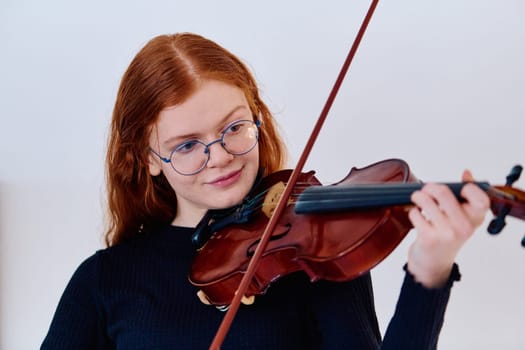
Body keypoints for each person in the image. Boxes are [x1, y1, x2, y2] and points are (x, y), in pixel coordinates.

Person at [41, 32, 490, 349]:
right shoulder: (105, 281)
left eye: (234, 127)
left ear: (257, 118)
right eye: (187, 146)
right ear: (149, 159)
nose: (219, 156)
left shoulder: (315, 256)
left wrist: (429, 271)